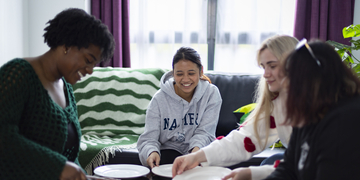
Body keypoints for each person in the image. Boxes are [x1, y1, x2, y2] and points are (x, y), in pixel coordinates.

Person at [0, 8, 115, 180]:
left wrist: (84, 176)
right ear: (66, 45)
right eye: (88, 60)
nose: (91, 70)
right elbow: (3, 136)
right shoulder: (18, 74)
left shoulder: (66, 87)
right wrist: (58, 167)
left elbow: (69, 159)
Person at [172, 35, 298, 180]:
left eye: (273, 66)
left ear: (293, 64)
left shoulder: (318, 107)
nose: (266, 74)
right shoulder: (279, 104)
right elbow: (245, 139)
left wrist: (252, 173)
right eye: (264, 67)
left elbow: (307, 165)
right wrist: (196, 157)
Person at [264, 40, 360, 179]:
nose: (286, 85)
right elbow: (288, 169)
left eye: (293, 79)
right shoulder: (308, 113)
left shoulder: (346, 121)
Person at [137, 47, 222, 168]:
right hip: (167, 153)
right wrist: (152, 152)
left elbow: (205, 133)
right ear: (173, 73)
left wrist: (194, 156)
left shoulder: (211, 94)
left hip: (198, 151)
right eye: (179, 74)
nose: (186, 79)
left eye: (191, 73)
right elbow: (149, 138)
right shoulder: (158, 99)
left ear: (201, 71)